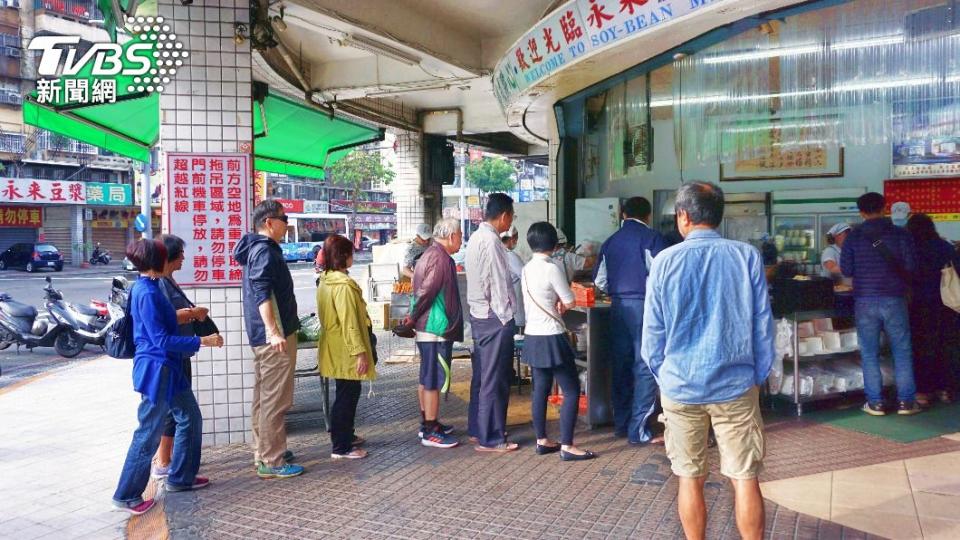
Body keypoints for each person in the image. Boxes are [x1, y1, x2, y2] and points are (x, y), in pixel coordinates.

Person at [642, 182, 774, 540]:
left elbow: (652, 335)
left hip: (681, 386)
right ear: (718, 216)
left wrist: (664, 375)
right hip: (736, 384)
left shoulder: (665, 261)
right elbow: (763, 326)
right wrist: (756, 376)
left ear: (683, 216)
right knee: (745, 477)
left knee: (689, 476)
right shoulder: (746, 256)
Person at [112, 239, 223, 515]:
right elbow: (160, 339)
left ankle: (181, 478)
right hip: (157, 370)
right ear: (156, 261)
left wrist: (188, 316)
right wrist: (202, 341)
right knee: (148, 433)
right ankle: (126, 494)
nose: (173, 259)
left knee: (190, 418)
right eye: (166, 256)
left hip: (168, 369)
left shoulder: (149, 286)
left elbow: (163, 323)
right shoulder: (147, 291)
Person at [234, 200, 305, 479]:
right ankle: (273, 460)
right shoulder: (264, 252)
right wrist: (275, 332)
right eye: (283, 218)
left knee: (264, 398)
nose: (286, 223)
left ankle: (263, 451)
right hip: (272, 338)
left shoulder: (255, 249)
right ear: (269, 223)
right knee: (275, 400)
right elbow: (263, 294)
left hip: (263, 336)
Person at [592, 196, 668, 444]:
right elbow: (665, 276)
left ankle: (622, 425)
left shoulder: (610, 242)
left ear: (623, 214)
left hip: (617, 308)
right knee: (644, 364)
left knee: (621, 365)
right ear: (648, 215)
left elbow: (599, 281)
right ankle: (640, 430)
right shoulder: (652, 238)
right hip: (645, 308)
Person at [841, 192, 920, 416]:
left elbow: (846, 270)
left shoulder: (854, 237)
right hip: (895, 298)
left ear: (861, 212)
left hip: (865, 300)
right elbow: (911, 265)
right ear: (885, 208)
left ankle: (875, 403)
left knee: (869, 353)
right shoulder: (900, 234)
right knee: (902, 351)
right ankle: (906, 402)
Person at [522, 222, 595, 461]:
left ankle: (542, 440)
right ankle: (568, 445)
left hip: (532, 335)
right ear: (553, 244)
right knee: (572, 389)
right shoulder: (552, 267)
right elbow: (570, 300)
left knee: (540, 390)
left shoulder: (526, 268)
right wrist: (564, 303)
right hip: (552, 335)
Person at [397, 218, 464, 448]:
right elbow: (427, 292)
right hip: (434, 327)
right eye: (461, 235)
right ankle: (430, 429)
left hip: (429, 326)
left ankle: (428, 423)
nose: (461, 240)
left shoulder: (431, 254)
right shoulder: (439, 257)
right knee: (433, 378)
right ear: (451, 236)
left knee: (427, 376)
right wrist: (413, 317)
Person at [151, 234, 213, 480]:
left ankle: (168, 460)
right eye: (180, 254)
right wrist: (192, 313)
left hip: (179, 351)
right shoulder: (159, 284)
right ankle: (166, 462)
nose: (184, 258)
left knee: (175, 410)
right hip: (171, 354)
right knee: (177, 412)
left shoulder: (168, 281)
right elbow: (165, 318)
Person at [465, 193, 519, 453]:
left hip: (479, 315)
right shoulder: (492, 241)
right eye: (512, 215)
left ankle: (479, 429)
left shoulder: (475, 237)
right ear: (505, 215)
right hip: (494, 317)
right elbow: (498, 283)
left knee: (483, 377)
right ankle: (492, 437)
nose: (512, 219)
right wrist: (506, 316)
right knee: (494, 379)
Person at [317, 235, 378, 459]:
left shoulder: (327, 279)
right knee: (347, 395)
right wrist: (360, 353)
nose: (354, 256)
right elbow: (350, 323)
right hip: (346, 349)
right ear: (343, 256)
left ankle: (345, 436)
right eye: (351, 252)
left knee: (345, 392)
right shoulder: (342, 286)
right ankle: (341, 446)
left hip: (335, 346)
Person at [906, 213, 958, 406]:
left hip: (919, 305)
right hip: (947, 304)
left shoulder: (910, 249)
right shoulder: (945, 247)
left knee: (921, 348)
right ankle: (945, 390)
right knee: (946, 347)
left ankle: (923, 392)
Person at [501, 225, 526, 330]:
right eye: (516, 239)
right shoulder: (510, 256)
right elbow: (526, 276)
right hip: (514, 311)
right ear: (512, 239)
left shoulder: (497, 253)